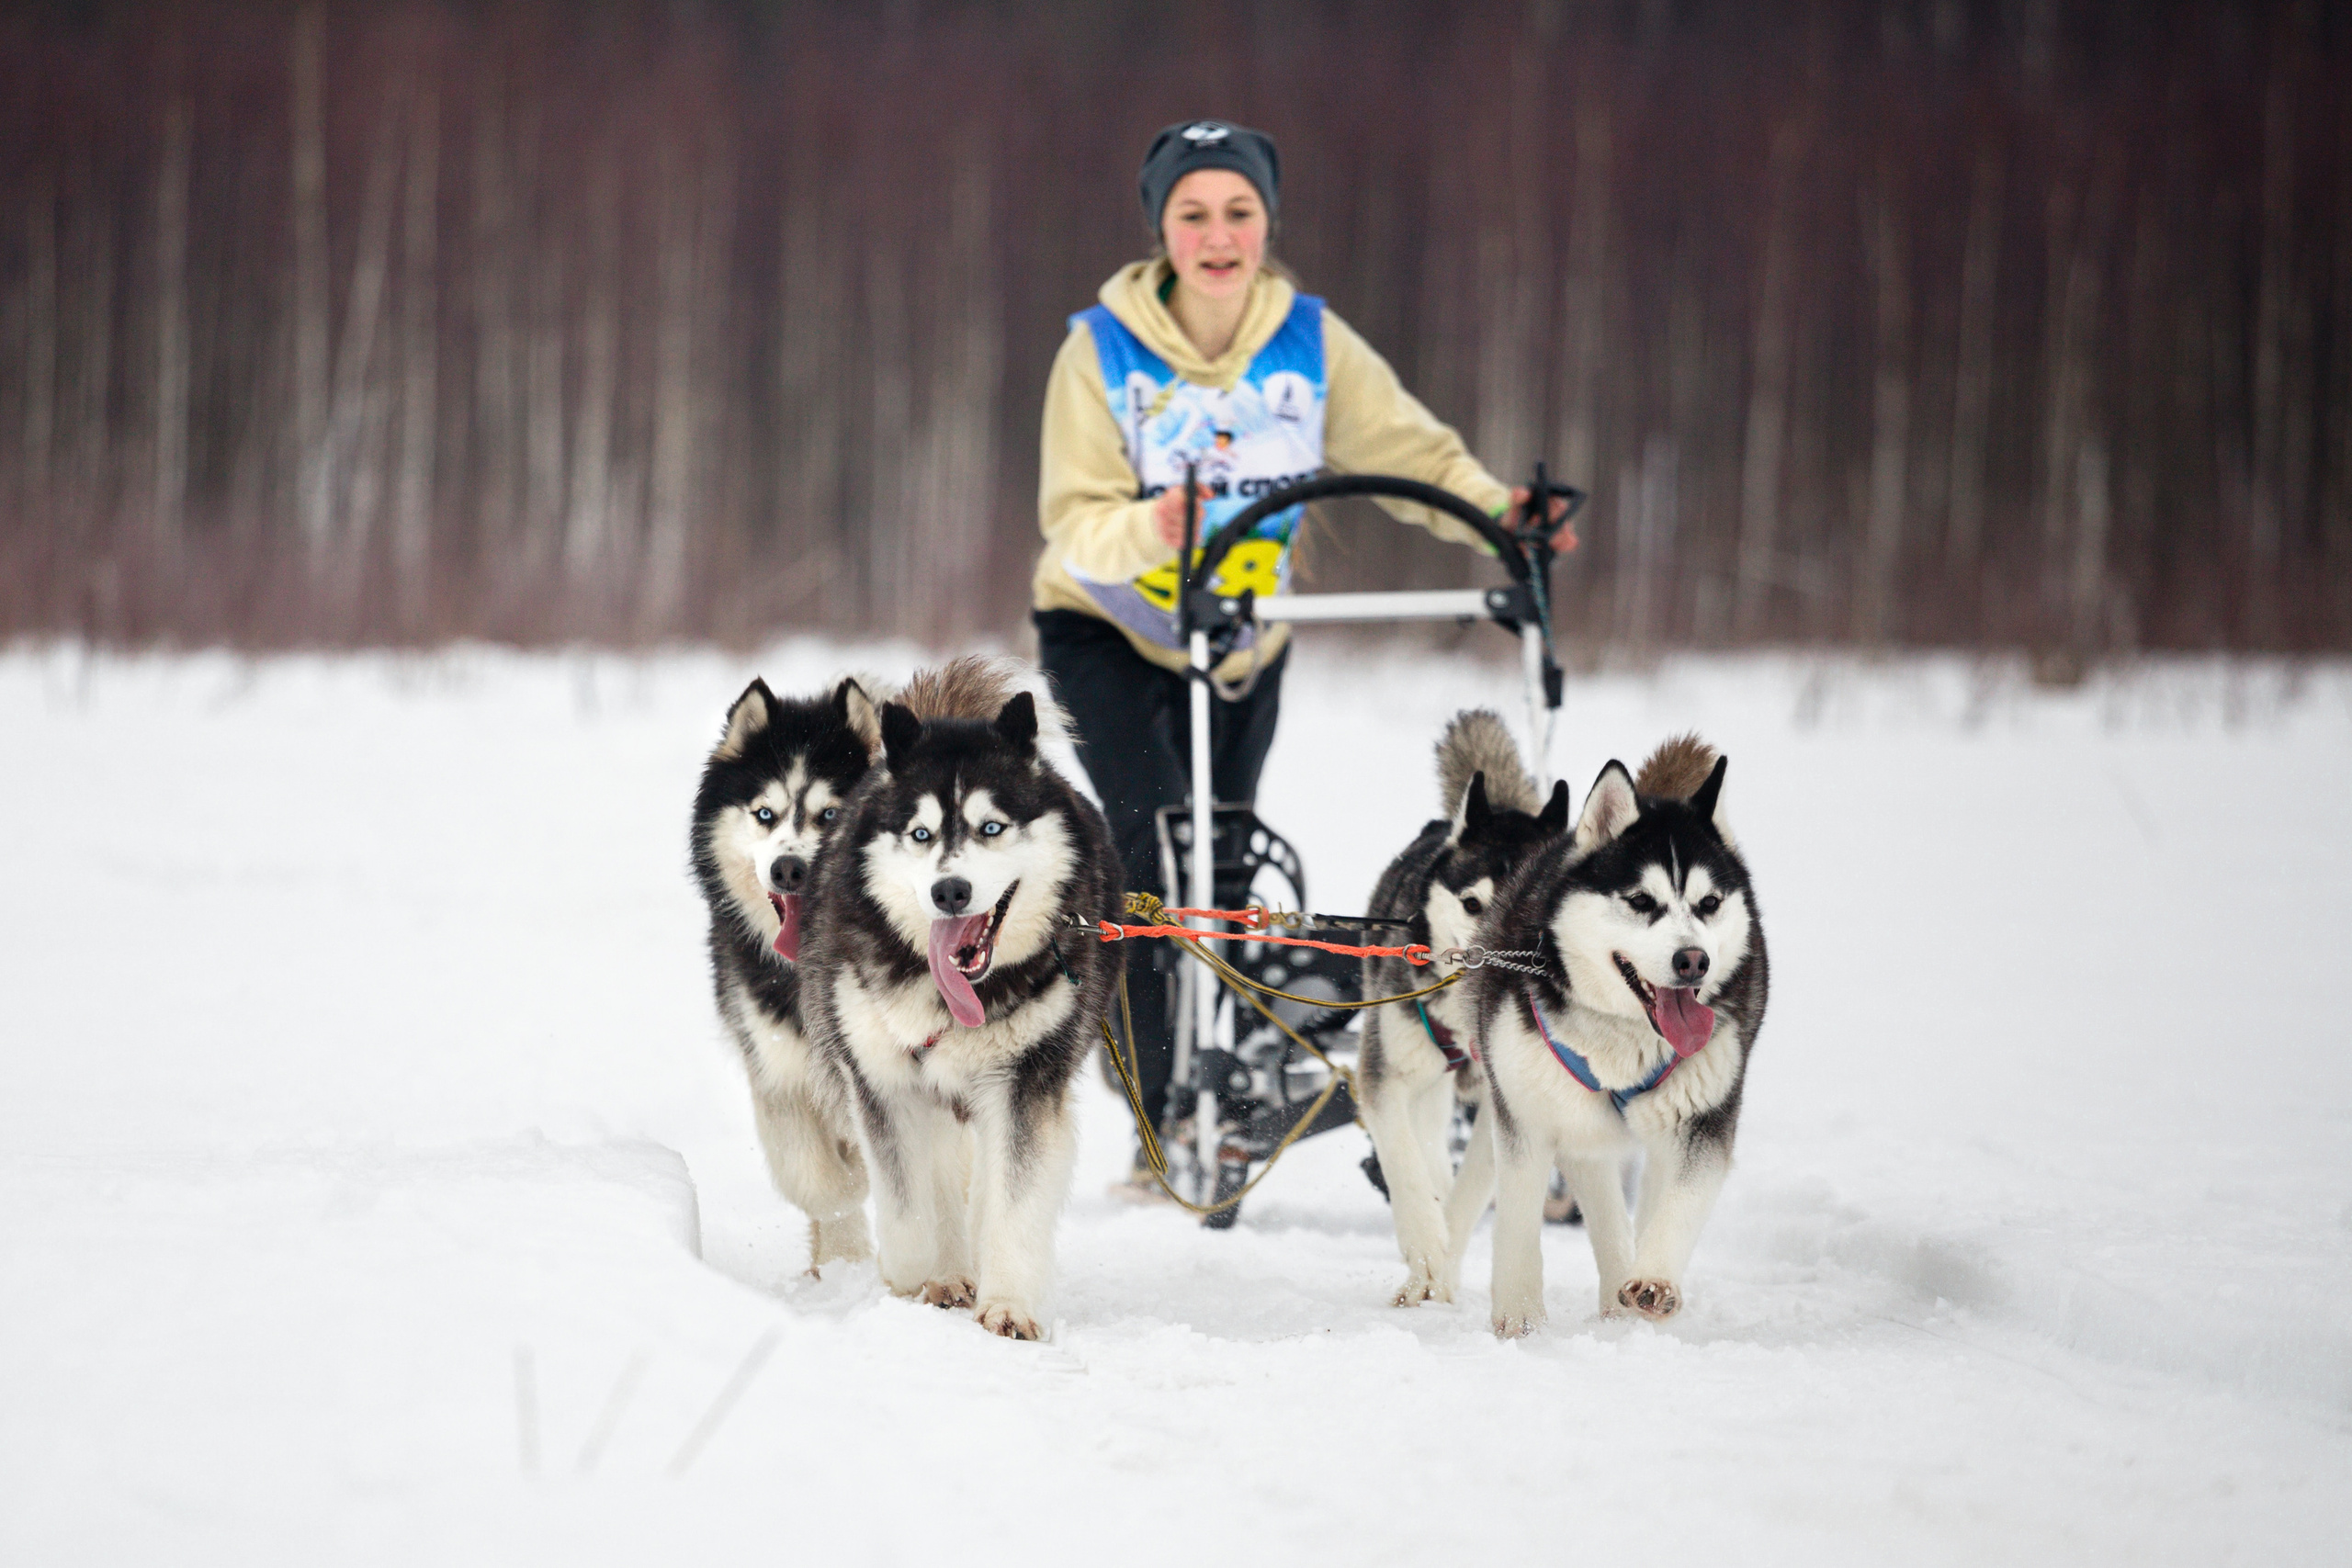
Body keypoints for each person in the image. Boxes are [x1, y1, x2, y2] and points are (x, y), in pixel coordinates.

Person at [1031, 119, 1574, 1199]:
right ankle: (1156, 1118)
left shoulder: (1310, 341)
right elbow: (1071, 517)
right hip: (1109, 629)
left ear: (1267, 225)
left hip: (1239, 636)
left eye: (1238, 212)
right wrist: (1154, 528)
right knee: (1149, 860)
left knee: (1224, 865)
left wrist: (1498, 521)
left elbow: (1409, 453)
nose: (1217, 235)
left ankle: (1223, 1085)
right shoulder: (1098, 348)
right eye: (1193, 213)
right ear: (1161, 228)